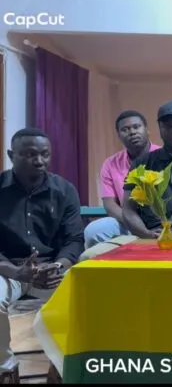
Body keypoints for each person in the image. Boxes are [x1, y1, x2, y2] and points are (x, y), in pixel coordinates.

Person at [80, 101, 172, 261]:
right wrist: (145, 233)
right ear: (160, 128)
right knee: (89, 257)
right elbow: (129, 209)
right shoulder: (141, 164)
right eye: (168, 126)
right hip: (146, 236)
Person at [0, 128, 84, 382]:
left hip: (51, 271)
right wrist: (16, 272)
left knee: (85, 298)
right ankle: (6, 369)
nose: (39, 161)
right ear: (11, 155)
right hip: (8, 270)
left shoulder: (64, 190)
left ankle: (61, 367)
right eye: (29, 155)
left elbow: (74, 239)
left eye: (44, 154)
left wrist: (58, 266)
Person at [83, 110, 160, 248]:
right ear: (119, 135)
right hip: (127, 222)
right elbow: (110, 205)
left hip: (162, 222)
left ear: (147, 130)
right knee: (94, 230)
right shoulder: (110, 164)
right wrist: (138, 227)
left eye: (136, 127)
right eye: (125, 129)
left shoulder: (164, 156)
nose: (132, 132)